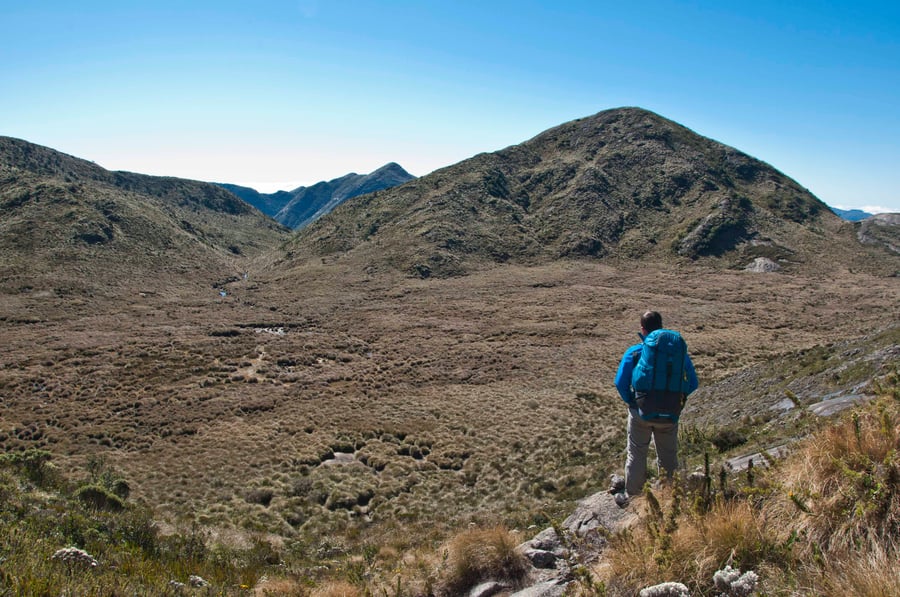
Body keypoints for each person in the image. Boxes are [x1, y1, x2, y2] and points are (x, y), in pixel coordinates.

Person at [613, 311, 698, 505]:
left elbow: (620, 382)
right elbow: (693, 382)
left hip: (641, 412)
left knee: (636, 452)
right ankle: (670, 497)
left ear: (643, 330)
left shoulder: (635, 352)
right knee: (668, 455)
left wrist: (633, 401)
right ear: (661, 327)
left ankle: (634, 499)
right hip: (670, 412)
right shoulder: (678, 354)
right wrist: (676, 400)